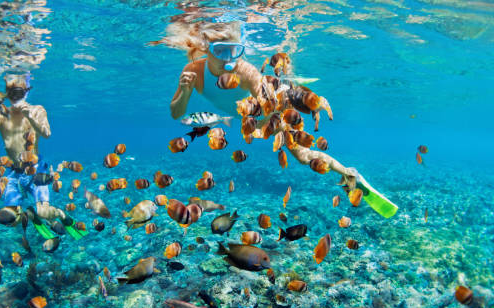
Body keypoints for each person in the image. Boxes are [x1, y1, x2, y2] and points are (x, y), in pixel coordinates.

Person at [161, 20, 398, 218]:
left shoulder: (245, 71)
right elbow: (175, 113)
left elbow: (270, 105)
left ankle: (349, 173)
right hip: (253, 118)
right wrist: (184, 91)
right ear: (206, 49)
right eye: (221, 50)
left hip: (271, 108)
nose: (228, 58)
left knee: (304, 156)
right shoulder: (192, 71)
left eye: (234, 50)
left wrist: (269, 126)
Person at [0, 74, 79, 236]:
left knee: (44, 212)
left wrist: (30, 117)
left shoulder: (37, 110)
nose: (16, 97)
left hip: (36, 170)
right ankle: (31, 214)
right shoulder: (1, 115)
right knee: (10, 219)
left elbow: (47, 134)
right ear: (7, 94)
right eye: (12, 92)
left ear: (27, 91)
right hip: (14, 171)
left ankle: (58, 214)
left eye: (19, 92)